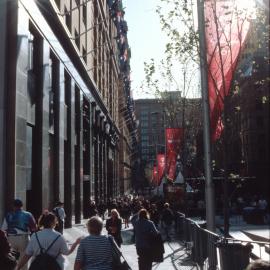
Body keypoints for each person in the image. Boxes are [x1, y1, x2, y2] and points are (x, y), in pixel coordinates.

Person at [16, 212, 80, 270]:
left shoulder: (35, 236)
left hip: (37, 267)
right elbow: (67, 252)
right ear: (53, 223)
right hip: (55, 266)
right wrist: (76, 243)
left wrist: (18, 267)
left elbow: (27, 255)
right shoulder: (59, 236)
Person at [1, 199, 37, 270]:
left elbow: (3, 228)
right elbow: (34, 228)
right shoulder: (28, 214)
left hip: (11, 238)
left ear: (13, 206)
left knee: (11, 258)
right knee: (24, 258)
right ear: (22, 206)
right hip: (24, 238)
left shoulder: (8, 215)